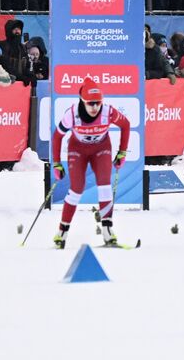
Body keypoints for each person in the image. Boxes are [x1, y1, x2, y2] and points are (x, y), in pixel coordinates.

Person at [50, 79, 132, 248]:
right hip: (78, 150)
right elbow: (57, 136)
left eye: (98, 103)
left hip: (101, 149)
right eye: (90, 103)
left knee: (104, 184)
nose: (95, 107)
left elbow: (126, 124)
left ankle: (108, 232)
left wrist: (122, 152)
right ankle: (62, 232)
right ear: (82, 101)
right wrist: (57, 163)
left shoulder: (108, 112)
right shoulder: (72, 114)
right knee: (77, 188)